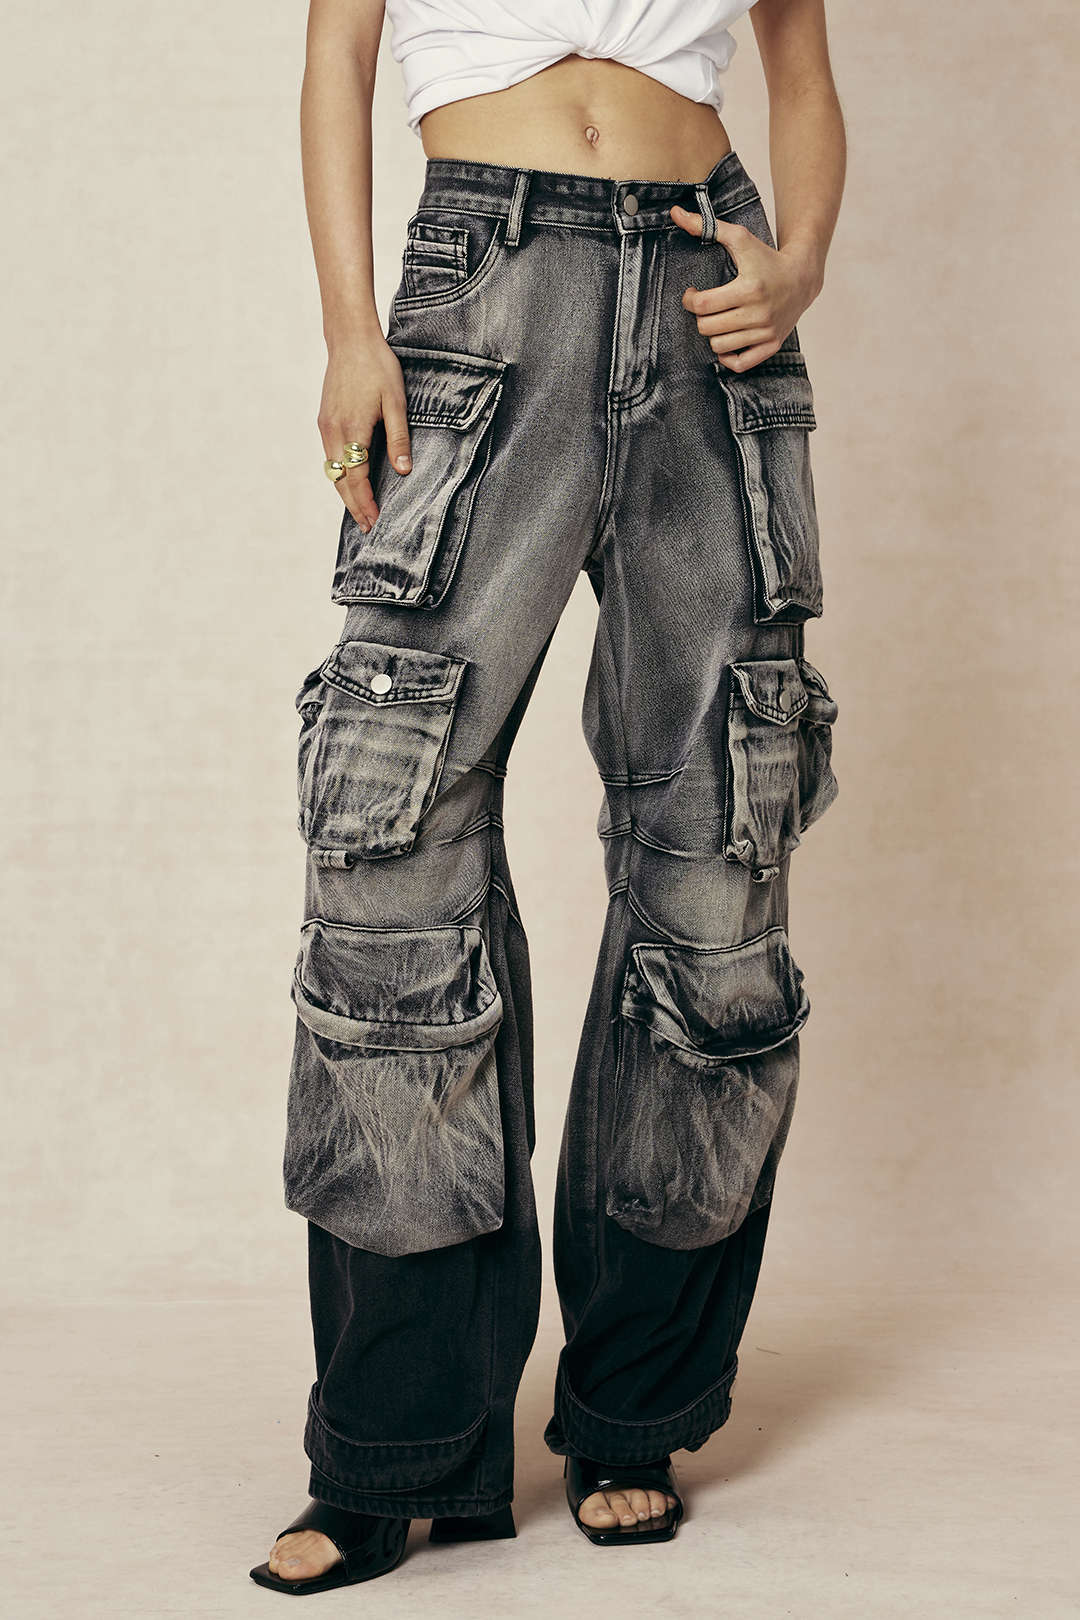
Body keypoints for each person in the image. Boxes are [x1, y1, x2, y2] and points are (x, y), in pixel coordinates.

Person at [249, 0, 845, 1594]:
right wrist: (351, 330)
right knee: (391, 844)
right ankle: (392, 1449)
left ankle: (633, 1410)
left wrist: (796, 265)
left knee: (717, 852)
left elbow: (799, 63)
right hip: (482, 283)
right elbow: (337, 54)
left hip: (710, 288)